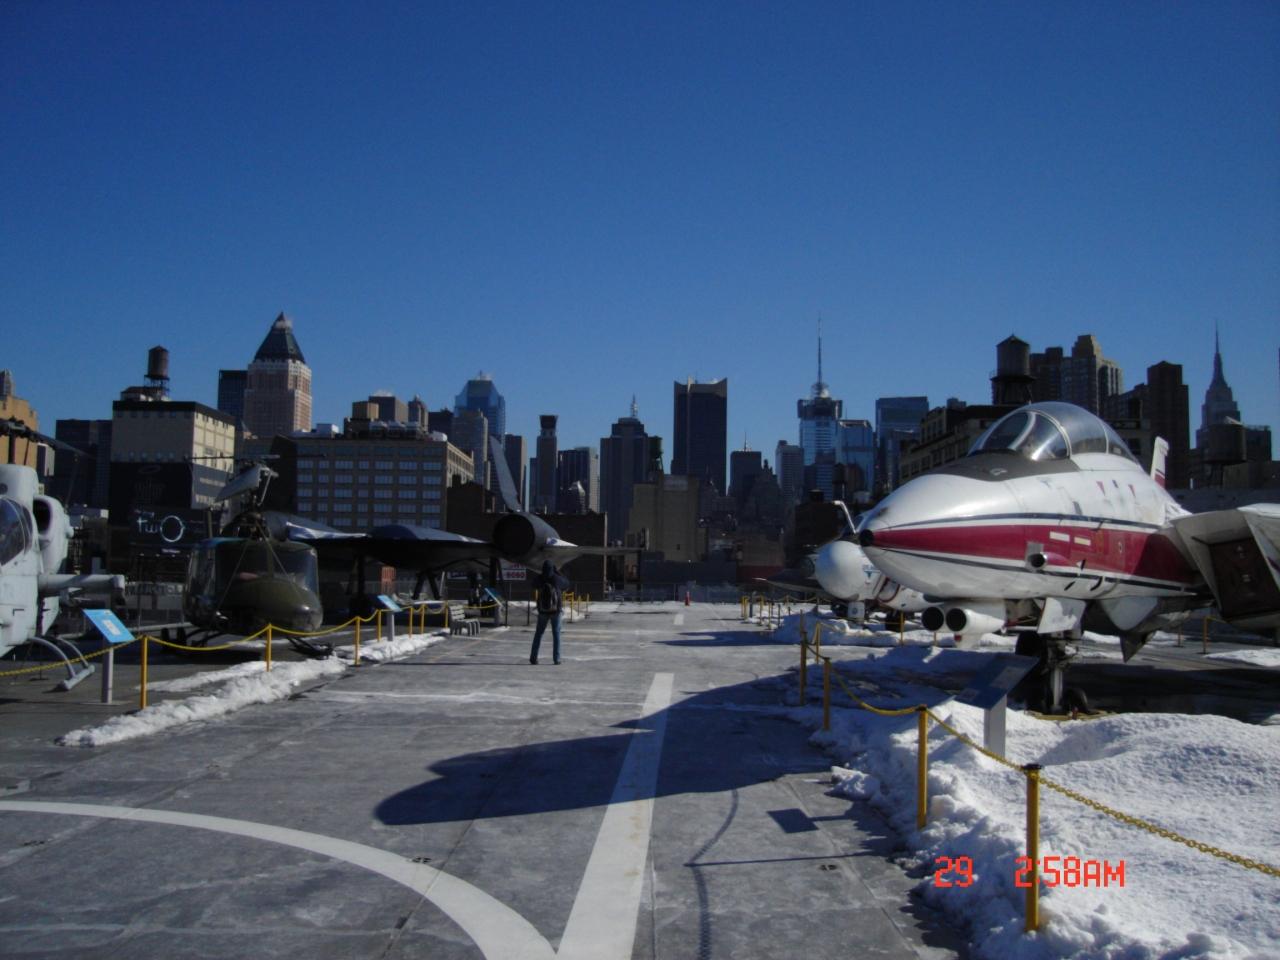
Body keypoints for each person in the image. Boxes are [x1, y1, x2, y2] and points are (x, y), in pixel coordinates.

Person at [529, 560, 570, 665]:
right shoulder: (556, 578)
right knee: (556, 635)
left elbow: (533, 584)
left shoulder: (540, 578)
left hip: (542, 610)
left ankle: (533, 657)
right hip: (556, 610)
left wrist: (541, 576)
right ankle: (556, 659)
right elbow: (567, 583)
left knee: (539, 633)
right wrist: (558, 572)